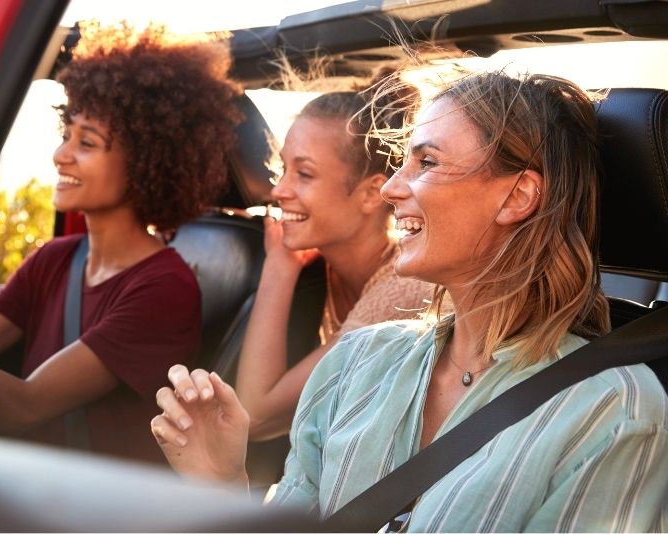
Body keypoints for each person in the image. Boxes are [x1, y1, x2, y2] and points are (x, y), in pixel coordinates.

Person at [151, 70, 668, 530]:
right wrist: (223, 483)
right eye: (403, 162)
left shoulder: (615, 409)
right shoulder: (354, 363)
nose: (393, 188)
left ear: (516, 197)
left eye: (427, 162)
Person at [0, 22, 243, 463]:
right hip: (26, 484)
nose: (60, 155)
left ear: (147, 160)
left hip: (94, 508)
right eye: (65, 135)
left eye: (86, 142)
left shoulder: (164, 287)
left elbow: (23, 407)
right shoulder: (56, 259)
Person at [234, 80, 436, 441]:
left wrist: (279, 267)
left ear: (372, 193)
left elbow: (255, 415)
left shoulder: (406, 288)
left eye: (305, 174)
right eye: (283, 170)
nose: (279, 190)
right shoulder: (322, 267)